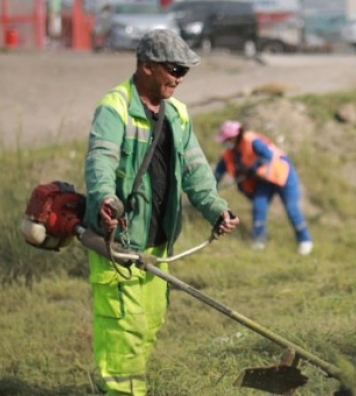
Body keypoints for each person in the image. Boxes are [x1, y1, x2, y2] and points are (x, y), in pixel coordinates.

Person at [82, 29, 239, 396]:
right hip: (119, 244)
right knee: (125, 331)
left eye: (185, 71)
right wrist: (105, 198)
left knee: (149, 325)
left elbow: (196, 172)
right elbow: (100, 162)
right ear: (147, 66)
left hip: (158, 245)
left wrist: (216, 209)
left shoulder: (178, 114)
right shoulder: (115, 107)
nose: (180, 78)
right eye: (175, 69)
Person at [213, 120, 313, 255]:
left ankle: (305, 241)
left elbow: (268, 155)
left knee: (291, 208)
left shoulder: (252, 141)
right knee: (258, 207)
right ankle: (259, 241)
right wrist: (212, 188)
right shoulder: (229, 153)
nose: (225, 142)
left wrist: (252, 168)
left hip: (282, 175)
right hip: (263, 180)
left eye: (227, 139)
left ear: (235, 136)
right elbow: (218, 173)